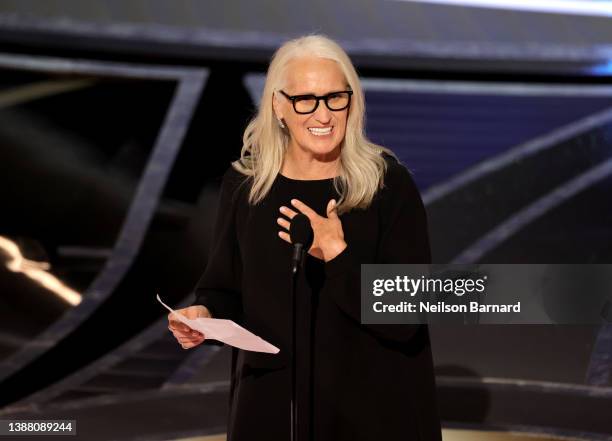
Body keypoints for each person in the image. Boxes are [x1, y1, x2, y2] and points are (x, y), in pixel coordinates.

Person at [167, 33, 442, 441]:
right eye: (306, 100)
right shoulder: (247, 186)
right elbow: (223, 288)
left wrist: (338, 253)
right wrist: (203, 317)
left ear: (352, 101)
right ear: (278, 105)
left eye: (335, 98)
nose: (324, 114)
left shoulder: (386, 184)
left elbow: (407, 318)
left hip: (370, 411)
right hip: (272, 407)